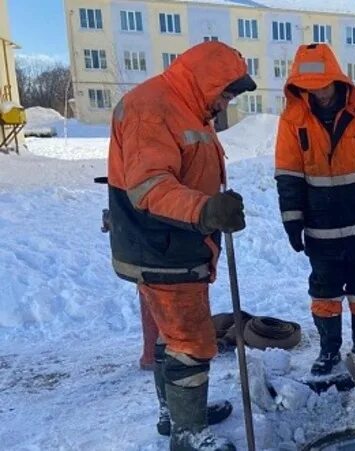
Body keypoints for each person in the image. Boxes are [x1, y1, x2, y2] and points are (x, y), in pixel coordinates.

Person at [106, 41, 256, 451]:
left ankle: (175, 413)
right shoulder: (153, 107)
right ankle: (189, 437)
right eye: (225, 92)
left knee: (170, 337)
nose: (226, 103)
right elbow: (150, 186)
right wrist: (207, 210)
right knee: (191, 341)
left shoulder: (187, 105)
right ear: (204, 80)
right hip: (162, 245)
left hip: (172, 243)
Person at [274, 43, 355, 375]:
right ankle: (329, 349)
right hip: (321, 224)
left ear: (337, 79)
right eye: (310, 88)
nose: (319, 94)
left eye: (323, 85)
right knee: (324, 291)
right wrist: (292, 219)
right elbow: (288, 173)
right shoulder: (292, 119)